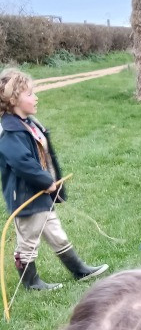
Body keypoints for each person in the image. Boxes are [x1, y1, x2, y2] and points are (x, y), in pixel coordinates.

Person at [0, 67, 107, 290]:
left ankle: (79, 270)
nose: (35, 97)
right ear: (13, 100)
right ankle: (30, 282)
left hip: (39, 196)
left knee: (56, 232)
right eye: (30, 94)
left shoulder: (28, 123)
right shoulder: (10, 132)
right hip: (26, 196)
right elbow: (22, 163)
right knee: (28, 240)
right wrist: (44, 180)